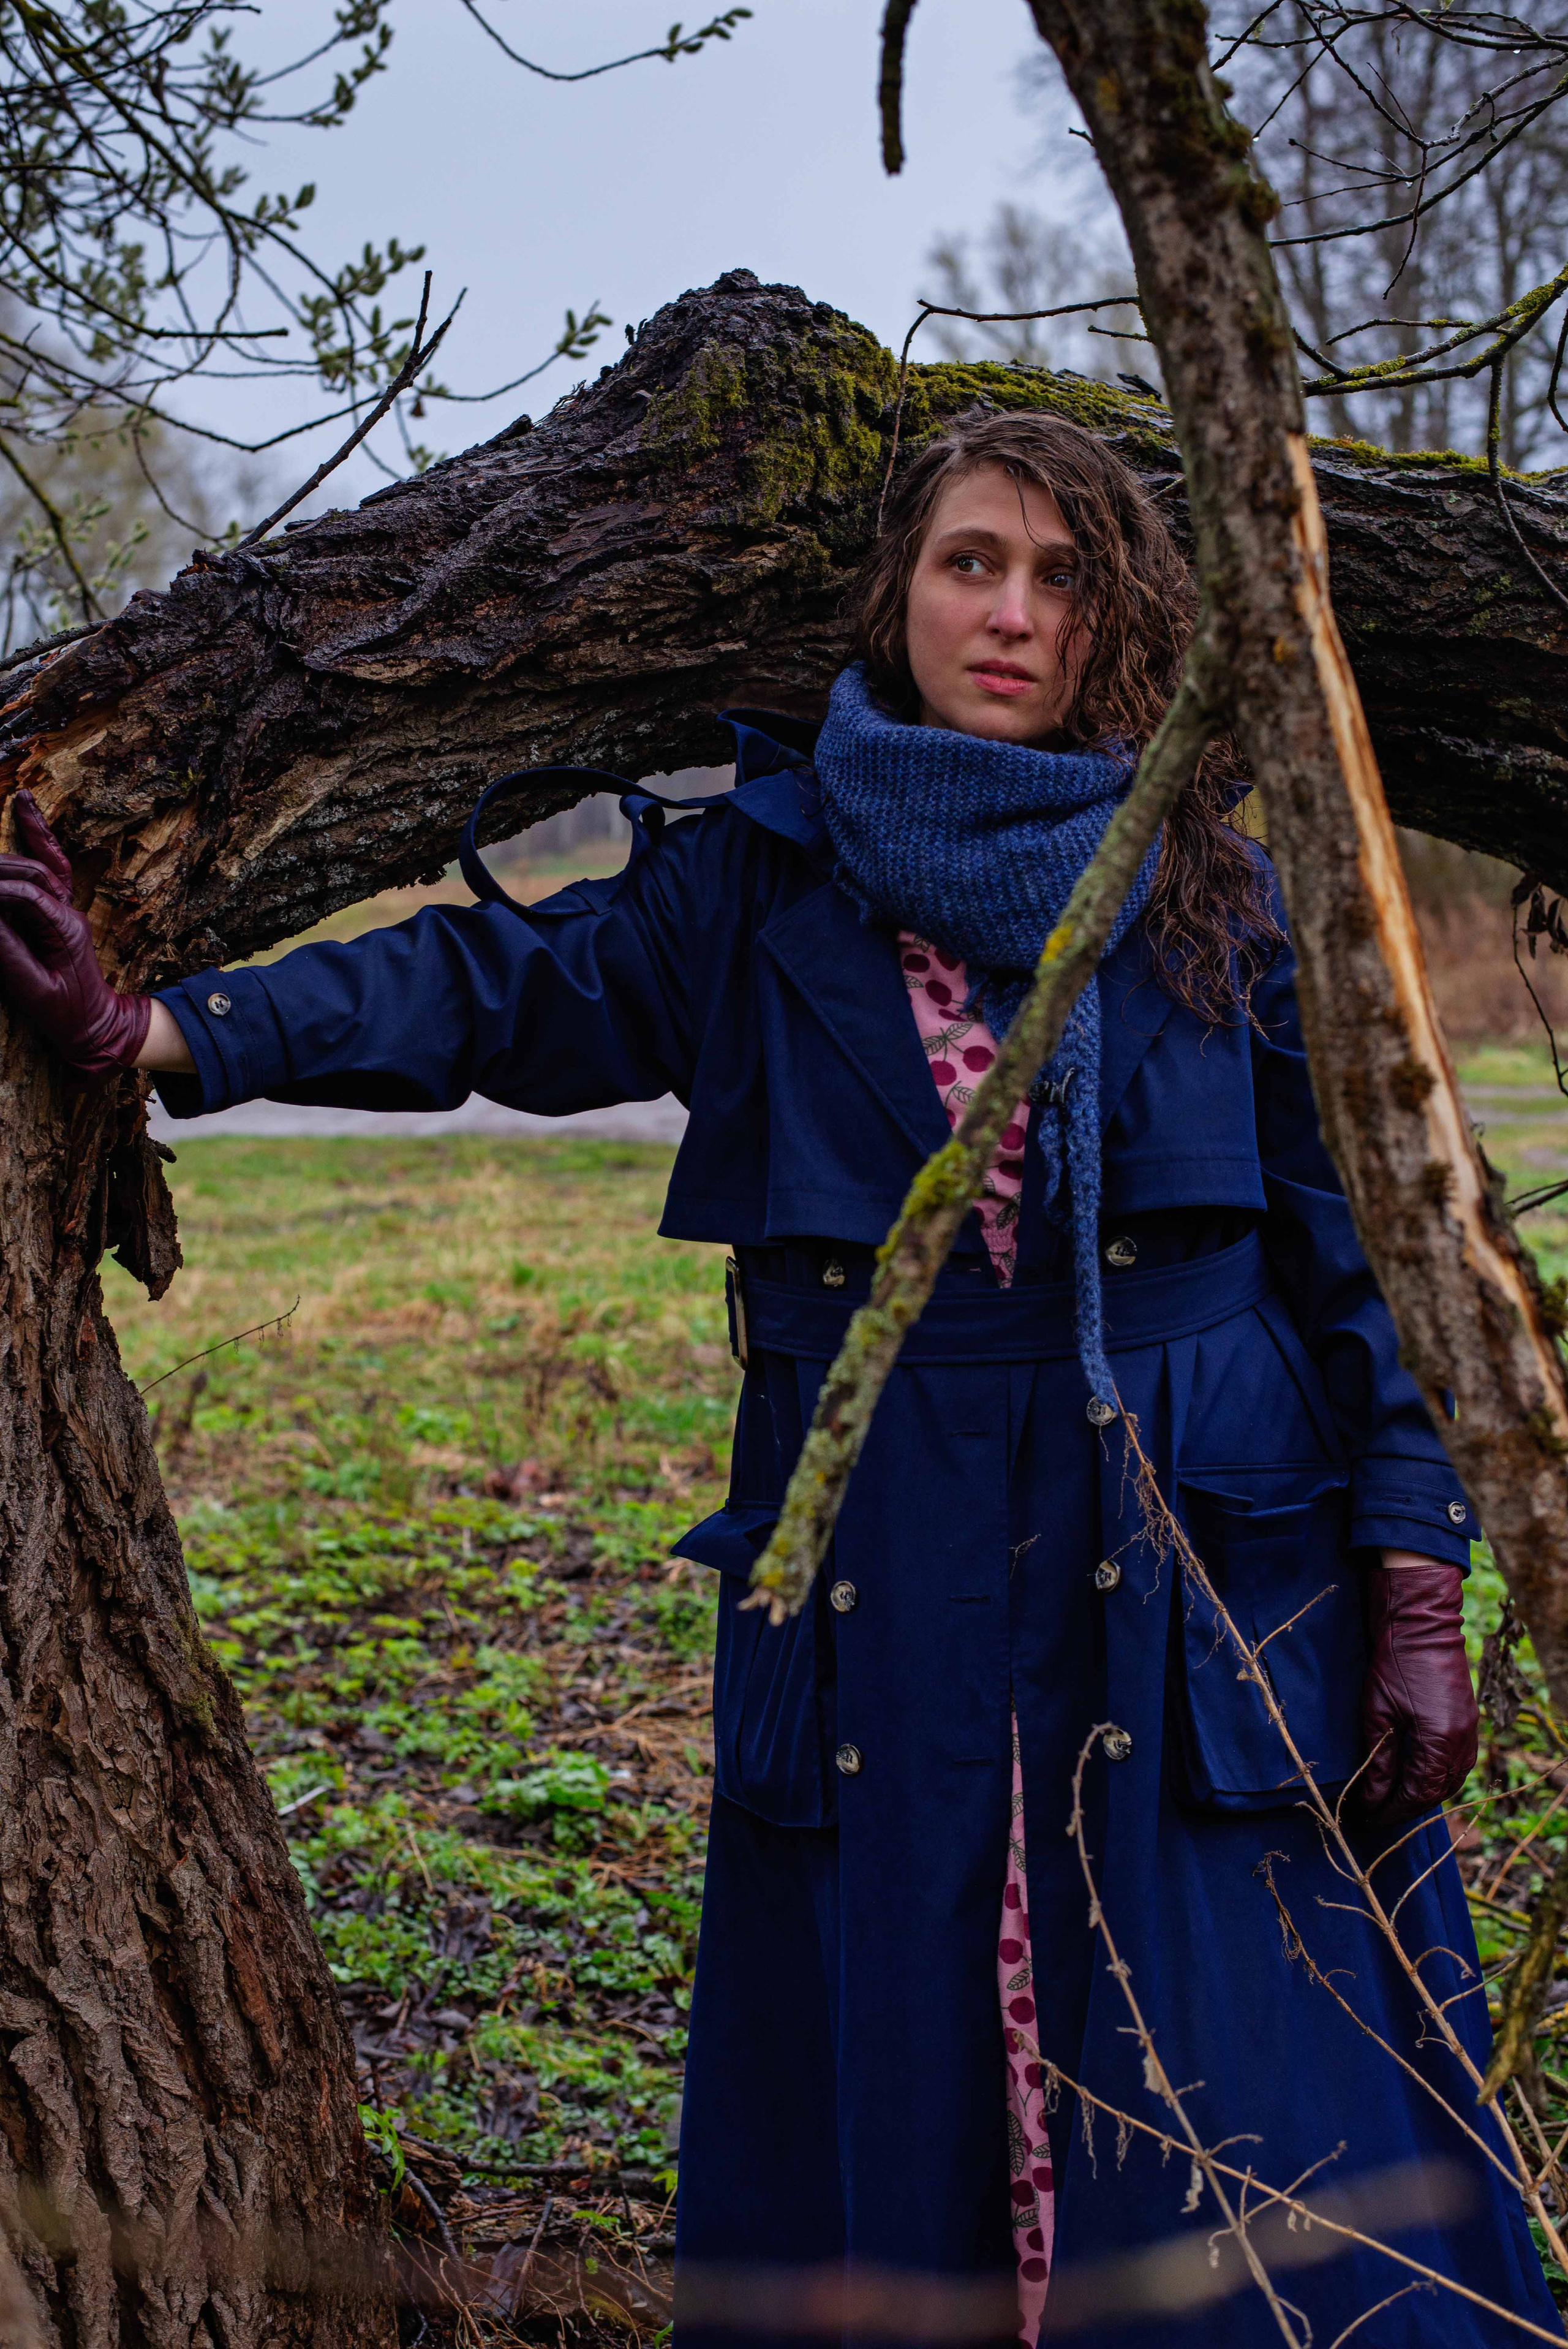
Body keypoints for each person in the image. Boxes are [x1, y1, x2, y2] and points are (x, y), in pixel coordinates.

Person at [0, 409, 1556, 2349]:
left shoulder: (1216, 887)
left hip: (1196, 1566)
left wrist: (1417, 1576)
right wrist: (170, 1031)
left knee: (1242, 2098)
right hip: (879, 1542)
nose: (1013, 613)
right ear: (896, 594)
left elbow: (1378, 1257)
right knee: (890, 2070)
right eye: (970, 563)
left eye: (1063, 577)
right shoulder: (766, 876)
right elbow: (495, 990)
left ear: (1120, 622)